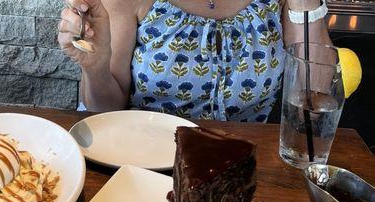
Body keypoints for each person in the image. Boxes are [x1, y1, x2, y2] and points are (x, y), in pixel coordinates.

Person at [58, 0, 332, 122]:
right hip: (144, 168)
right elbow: (105, 111)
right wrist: (95, 69)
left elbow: (314, 98)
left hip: (243, 170)